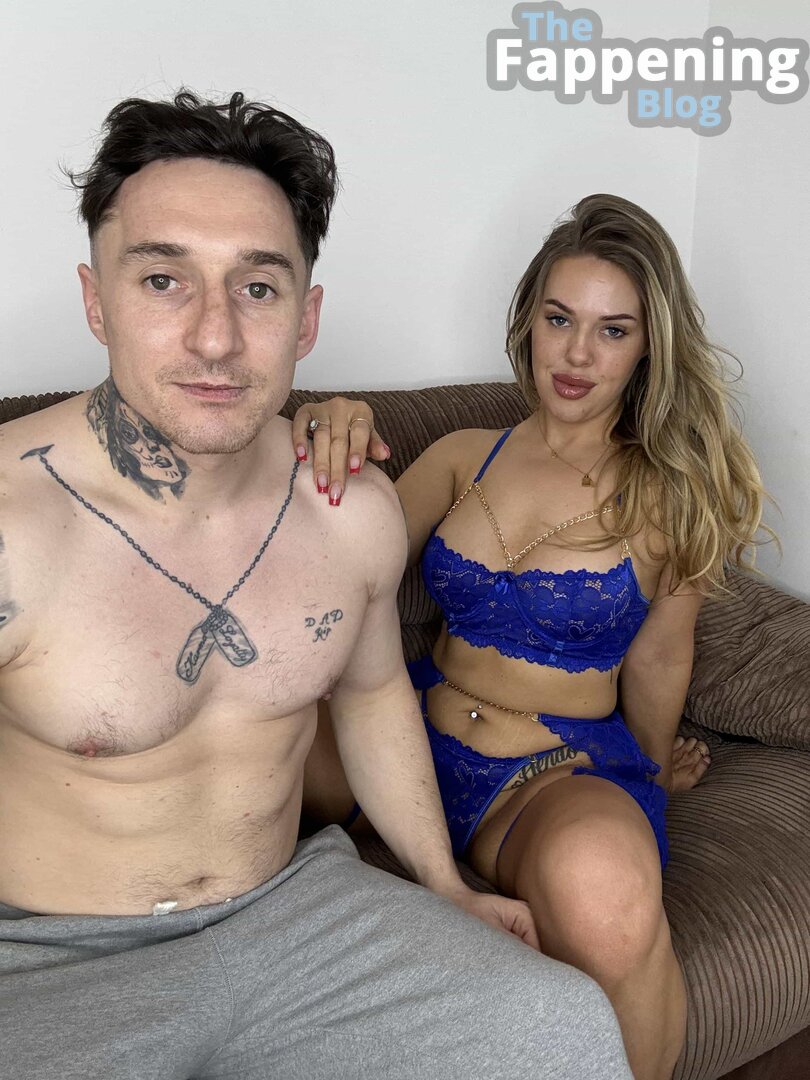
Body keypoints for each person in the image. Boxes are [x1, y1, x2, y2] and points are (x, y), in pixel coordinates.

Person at [0, 92, 634, 1080]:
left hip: (291, 912)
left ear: (306, 317)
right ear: (96, 300)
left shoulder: (346, 507)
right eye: (164, 279)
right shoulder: (12, 522)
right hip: (47, 956)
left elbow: (375, 696)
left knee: (559, 1025)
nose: (216, 338)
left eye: (257, 288)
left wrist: (444, 884)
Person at [292, 193, 769, 1080]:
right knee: (238, 737)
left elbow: (662, 655)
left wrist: (650, 771)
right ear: (529, 322)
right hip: (405, 736)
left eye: (613, 330)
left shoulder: (669, 496)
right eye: (560, 318)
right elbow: (330, 562)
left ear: (649, 347)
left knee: (608, 896)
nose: (578, 354)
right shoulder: (462, 455)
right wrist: (325, 425)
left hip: (545, 774)